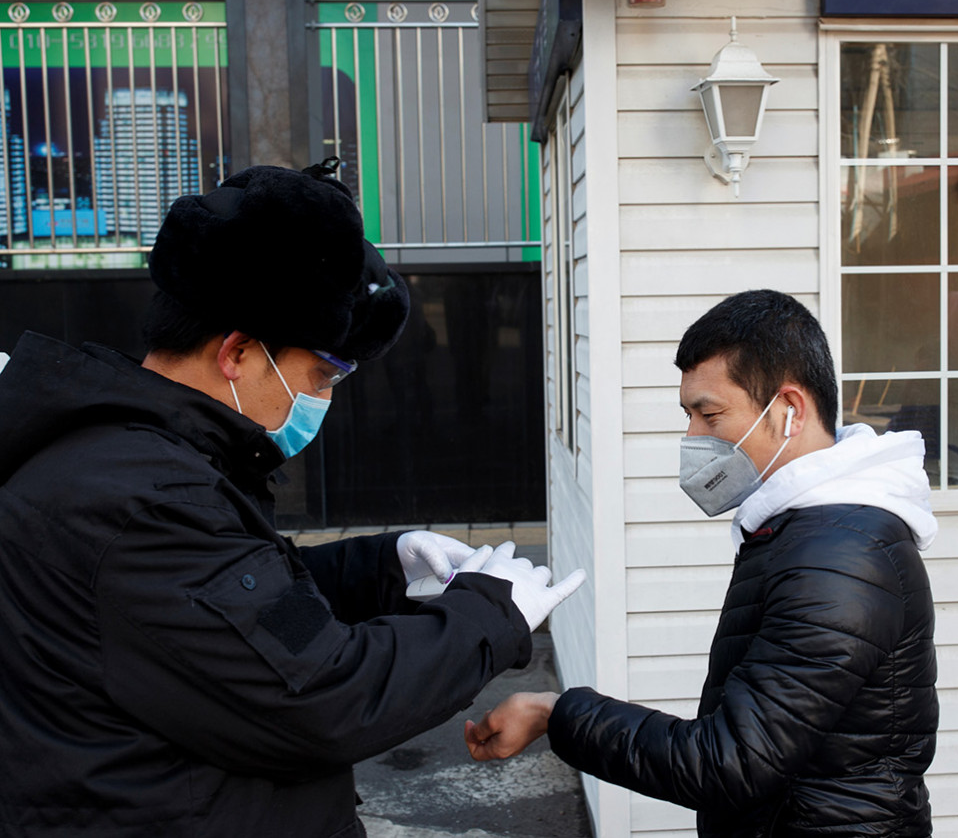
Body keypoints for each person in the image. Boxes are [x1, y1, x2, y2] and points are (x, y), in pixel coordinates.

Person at [0, 160, 584, 837]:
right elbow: (322, 697)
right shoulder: (143, 499)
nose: (323, 398)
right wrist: (489, 613)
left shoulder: (133, 456)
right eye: (322, 374)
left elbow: (235, 616)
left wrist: (383, 568)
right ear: (238, 352)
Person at [465, 289, 940, 837]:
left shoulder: (839, 559)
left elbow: (729, 762)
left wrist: (557, 714)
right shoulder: (809, 531)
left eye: (709, 414)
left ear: (790, 410)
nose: (693, 436)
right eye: (688, 414)